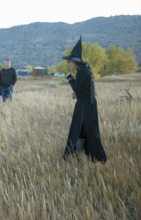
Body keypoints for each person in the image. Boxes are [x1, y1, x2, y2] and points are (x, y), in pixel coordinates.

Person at [61, 36, 107, 164]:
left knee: (90, 130)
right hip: (85, 104)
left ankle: (99, 157)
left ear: (75, 61)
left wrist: (70, 78)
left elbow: (76, 88)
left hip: (86, 106)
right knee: (80, 128)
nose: (68, 63)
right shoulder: (83, 70)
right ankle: (79, 152)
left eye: (69, 61)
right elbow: (82, 90)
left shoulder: (82, 72)